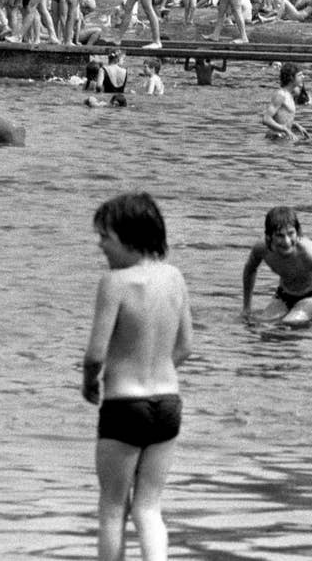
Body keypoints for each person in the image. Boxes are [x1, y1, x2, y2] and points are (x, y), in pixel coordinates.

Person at [82, 192, 192, 561]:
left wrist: (90, 382)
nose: (100, 245)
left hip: (123, 405)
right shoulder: (175, 278)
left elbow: (96, 354)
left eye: (105, 236)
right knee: (149, 507)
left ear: (131, 237)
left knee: (113, 509)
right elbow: (185, 347)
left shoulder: (114, 283)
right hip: (168, 405)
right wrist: (157, 370)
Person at [241, 206, 312, 326]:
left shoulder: (308, 253)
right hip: (285, 293)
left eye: (291, 233)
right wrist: (246, 308)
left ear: (298, 232)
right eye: (280, 235)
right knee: (261, 322)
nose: (287, 241)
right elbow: (250, 270)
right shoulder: (261, 249)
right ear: (269, 236)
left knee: (289, 323)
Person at [262, 63, 309, 141]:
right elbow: (266, 119)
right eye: (300, 75)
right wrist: (285, 129)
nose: (303, 77)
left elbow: (281, 119)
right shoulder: (280, 95)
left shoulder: (289, 95)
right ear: (291, 78)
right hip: (275, 139)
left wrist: (295, 125)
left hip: (283, 139)